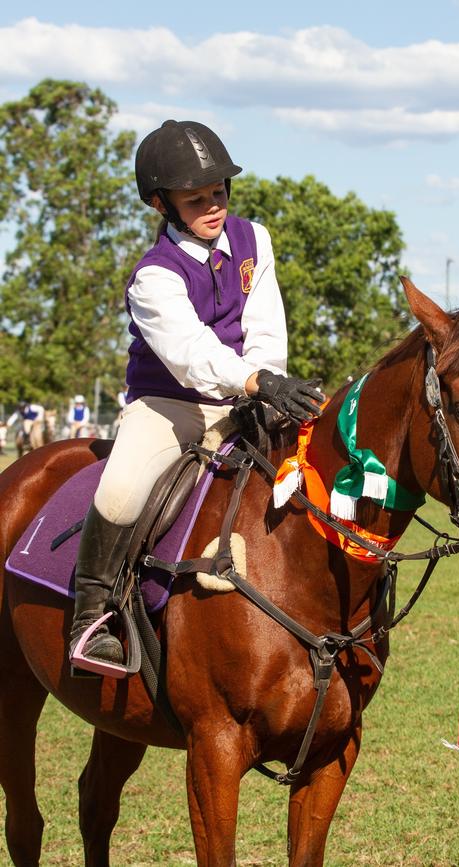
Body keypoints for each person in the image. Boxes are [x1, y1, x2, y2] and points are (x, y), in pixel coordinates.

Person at [69, 119, 324, 673]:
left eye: (220, 192)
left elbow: (264, 325)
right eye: (196, 199)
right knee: (120, 491)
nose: (214, 206)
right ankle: (92, 615)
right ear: (161, 203)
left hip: (247, 397)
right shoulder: (152, 277)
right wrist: (257, 382)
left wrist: (268, 383)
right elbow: (189, 352)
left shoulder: (255, 240)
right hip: (168, 405)